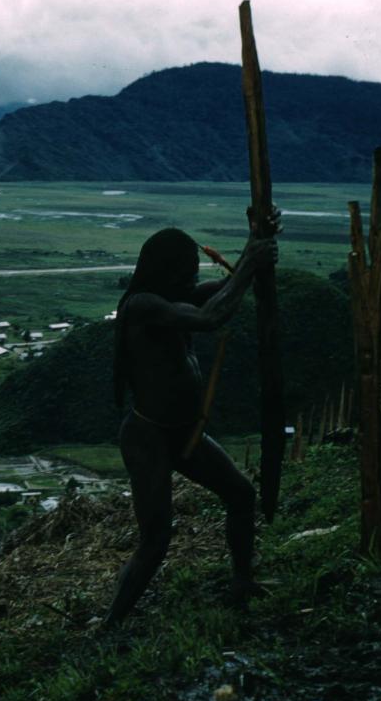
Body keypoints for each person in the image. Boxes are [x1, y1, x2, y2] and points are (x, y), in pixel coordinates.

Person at [104, 216, 280, 626]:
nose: (193, 279)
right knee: (155, 540)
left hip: (184, 431)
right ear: (169, 270)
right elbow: (210, 316)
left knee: (240, 495)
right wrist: (250, 263)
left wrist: (255, 246)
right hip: (148, 436)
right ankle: (110, 625)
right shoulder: (144, 306)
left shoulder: (173, 298)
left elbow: (225, 291)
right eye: (187, 272)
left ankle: (241, 582)